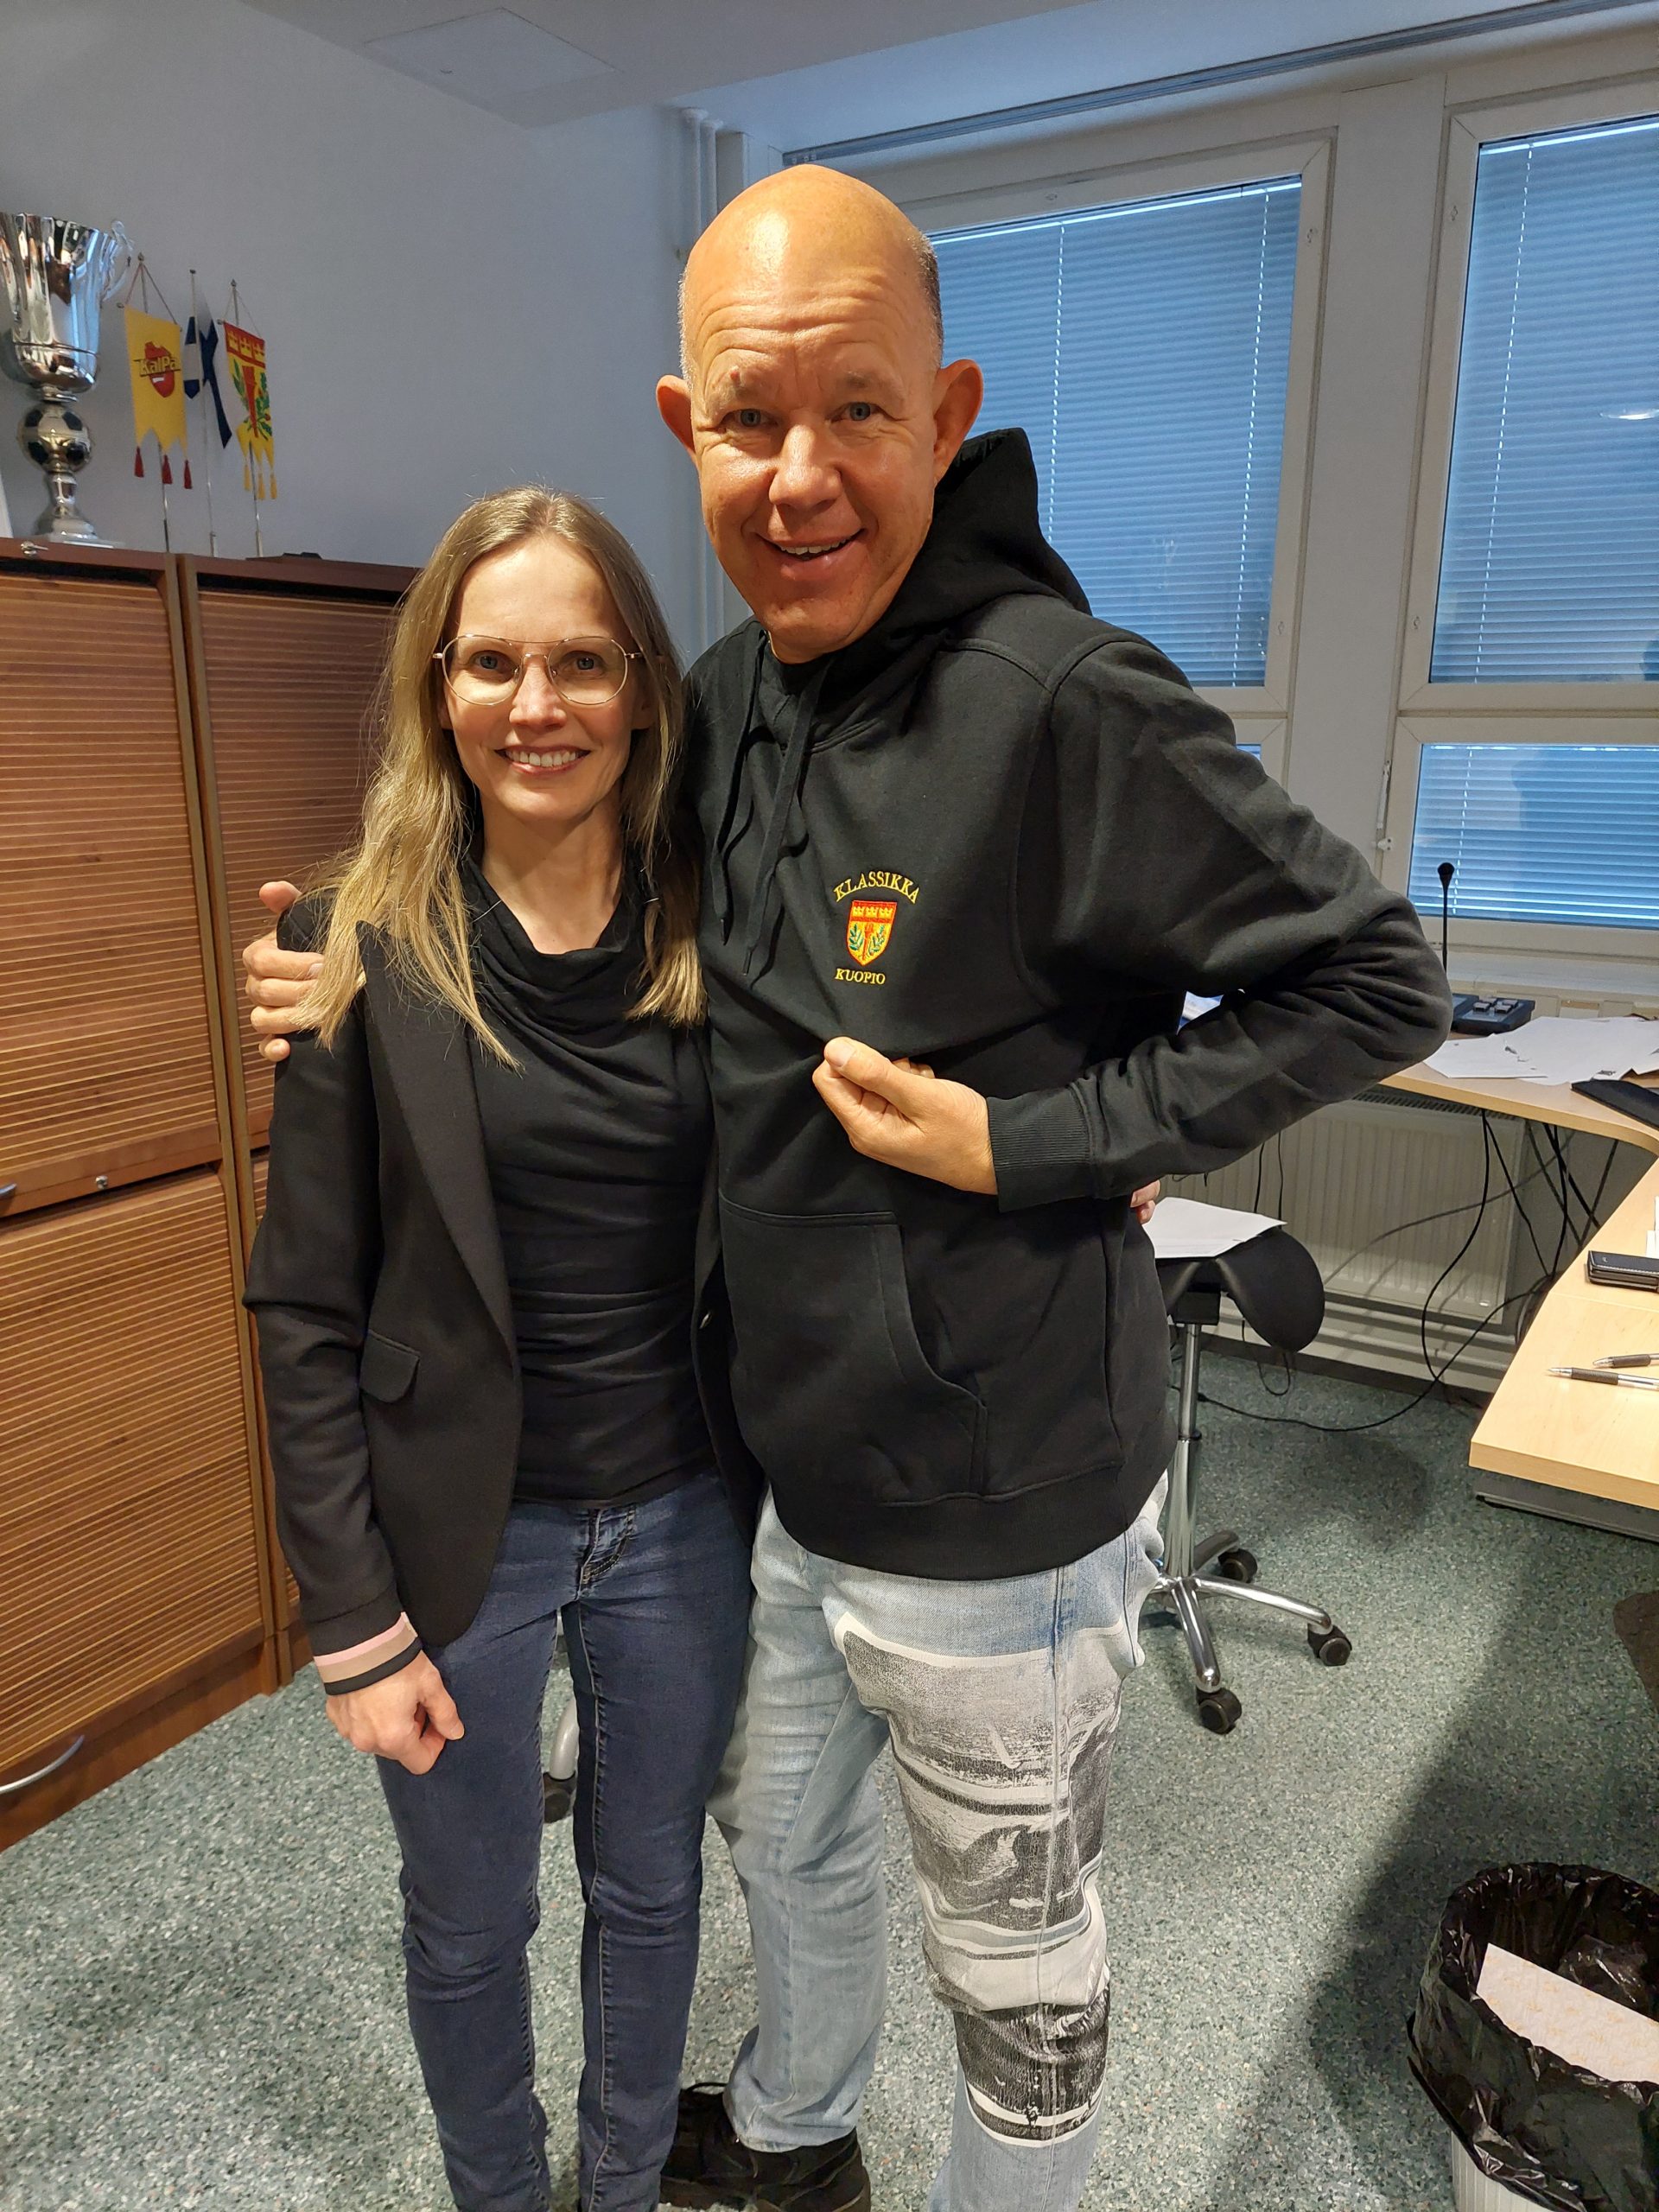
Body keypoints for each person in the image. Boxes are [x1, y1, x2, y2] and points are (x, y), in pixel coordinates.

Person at [246, 169, 1452, 2212]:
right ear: (686, 427)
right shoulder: (724, 708)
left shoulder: (1068, 699)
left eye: (858, 412)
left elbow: (1376, 980)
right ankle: (795, 2138)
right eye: (750, 417)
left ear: (945, 412)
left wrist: (1045, 1139)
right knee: (781, 1852)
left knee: (1017, 1970)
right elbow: (545, 885)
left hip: (997, 1507)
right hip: (778, 1490)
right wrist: (339, 962)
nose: (801, 475)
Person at [242, 486, 760, 2212]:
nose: (536, 706)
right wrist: (351, 1620)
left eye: (581, 662)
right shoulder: (351, 942)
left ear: (643, 688)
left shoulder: (722, 921)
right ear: (438, 687)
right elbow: (306, 1303)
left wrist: (1079, 1140)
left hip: (683, 1509)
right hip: (459, 1532)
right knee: (470, 1919)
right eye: (492, 664)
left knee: (653, 1890)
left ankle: (620, 2186)